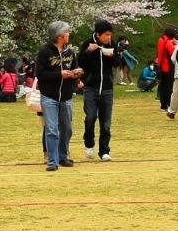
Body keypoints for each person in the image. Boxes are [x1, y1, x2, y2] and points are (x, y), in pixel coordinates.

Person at [35, 21, 83, 171]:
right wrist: (59, 74)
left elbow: (74, 68)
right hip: (49, 96)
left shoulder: (70, 52)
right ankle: (52, 161)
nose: (69, 35)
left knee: (67, 128)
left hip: (67, 96)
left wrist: (77, 77)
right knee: (51, 129)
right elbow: (40, 74)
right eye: (67, 32)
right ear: (59, 35)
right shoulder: (44, 52)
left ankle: (63, 156)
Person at [78, 19, 122, 161]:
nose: (109, 37)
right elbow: (81, 63)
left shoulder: (112, 45)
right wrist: (88, 52)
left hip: (107, 89)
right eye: (106, 35)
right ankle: (89, 143)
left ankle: (104, 151)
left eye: (110, 35)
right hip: (91, 87)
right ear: (98, 34)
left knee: (106, 122)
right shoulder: (88, 43)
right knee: (90, 117)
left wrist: (113, 55)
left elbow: (117, 64)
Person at [154, 27, 178, 119]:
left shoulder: (161, 39)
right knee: (169, 87)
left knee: (163, 86)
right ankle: (168, 104)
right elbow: (172, 53)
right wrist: (175, 45)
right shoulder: (168, 42)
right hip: (168, 67)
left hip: (161, 66)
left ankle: (163, 104)